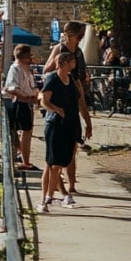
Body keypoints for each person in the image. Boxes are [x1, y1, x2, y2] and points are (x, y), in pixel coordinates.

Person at [43, 21, 93, 194]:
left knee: (72, 146)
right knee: (57, 151)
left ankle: (71, 184)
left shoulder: (78, 52)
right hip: (60, 95)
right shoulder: (59, 49)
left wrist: (87, 119)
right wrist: (60, 73)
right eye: (79, 36)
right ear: (72, 35)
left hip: (74, 88)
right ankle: (57, 188)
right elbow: (47, 69)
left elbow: (80, 75)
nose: (81, 39)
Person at [39, 50, 82, 211]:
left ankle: (54, 195)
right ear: (64, 63)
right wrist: (57, 109)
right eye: (72, 61)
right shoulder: (53, 79)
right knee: (52, 163)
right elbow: (44, 100)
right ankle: (46, 198)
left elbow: (77, 100)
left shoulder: (70, 79)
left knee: (63, 161)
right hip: (56, 124)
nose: (74, 64)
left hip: (70, 124)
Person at [3, 44, 40, 171]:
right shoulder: (16, 69)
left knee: (27, 131)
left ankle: (26, 159)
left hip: (28, 102)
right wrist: (25, 97)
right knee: (25, 131)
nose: (31, 57)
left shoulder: (27, 69)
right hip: (21, 102)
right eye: (29, 55)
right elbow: (12, 87)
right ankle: (25, 160)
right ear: (24, 56)